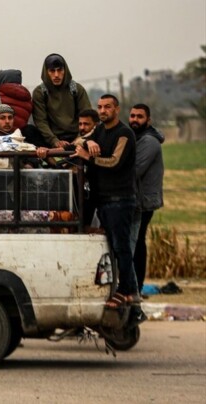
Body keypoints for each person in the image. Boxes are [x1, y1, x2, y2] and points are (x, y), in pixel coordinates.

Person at [70, 95, 143, 321]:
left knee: (122, 248)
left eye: (107, 107)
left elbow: (114, 161)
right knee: (112, 246)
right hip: (104, 200)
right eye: (100, 107)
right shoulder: (99, 130)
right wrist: (87, 143)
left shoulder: (124, 134)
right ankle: (122, 290)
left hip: (120, 199)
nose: (103, 110)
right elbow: (77, 141)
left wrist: (89, 157)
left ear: (117, 109)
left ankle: (128, 291)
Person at [128, 103, 164, 293]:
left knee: (137, 243)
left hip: (144, 202)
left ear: (148, 120)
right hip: (138, 199)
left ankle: (138, 286)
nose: (134, 119)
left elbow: (134, 170)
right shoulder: (137, 137)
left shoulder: (149, 141)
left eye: (139, 116)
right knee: (135, 243)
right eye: (132, 116)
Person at [32, 54, 92, 148]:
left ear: (65, 71)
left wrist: (80, 138)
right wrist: (54, 141)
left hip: (78, 137)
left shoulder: (76, 89)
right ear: (46, 72)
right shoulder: (40, 92)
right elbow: (41, 121)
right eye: (52, 71)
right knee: (29, 131)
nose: (56, 75)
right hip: (50, 139)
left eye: (60, 70)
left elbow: (87, 116)